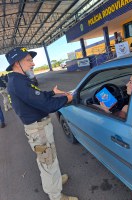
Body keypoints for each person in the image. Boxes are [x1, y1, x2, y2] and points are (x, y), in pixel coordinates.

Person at [5, 47, 78, 200]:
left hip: (39, 128)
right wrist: (67, 99)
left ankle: (55, 181)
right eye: (29, 60)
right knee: (48, 163)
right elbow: (46, 105)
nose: (33, 63)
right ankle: (56, 196)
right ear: (17, 63)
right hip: (38, 130)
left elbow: (37, 96)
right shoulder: (18, 82)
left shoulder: (19, 80)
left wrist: (52, 92)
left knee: (49, 159)